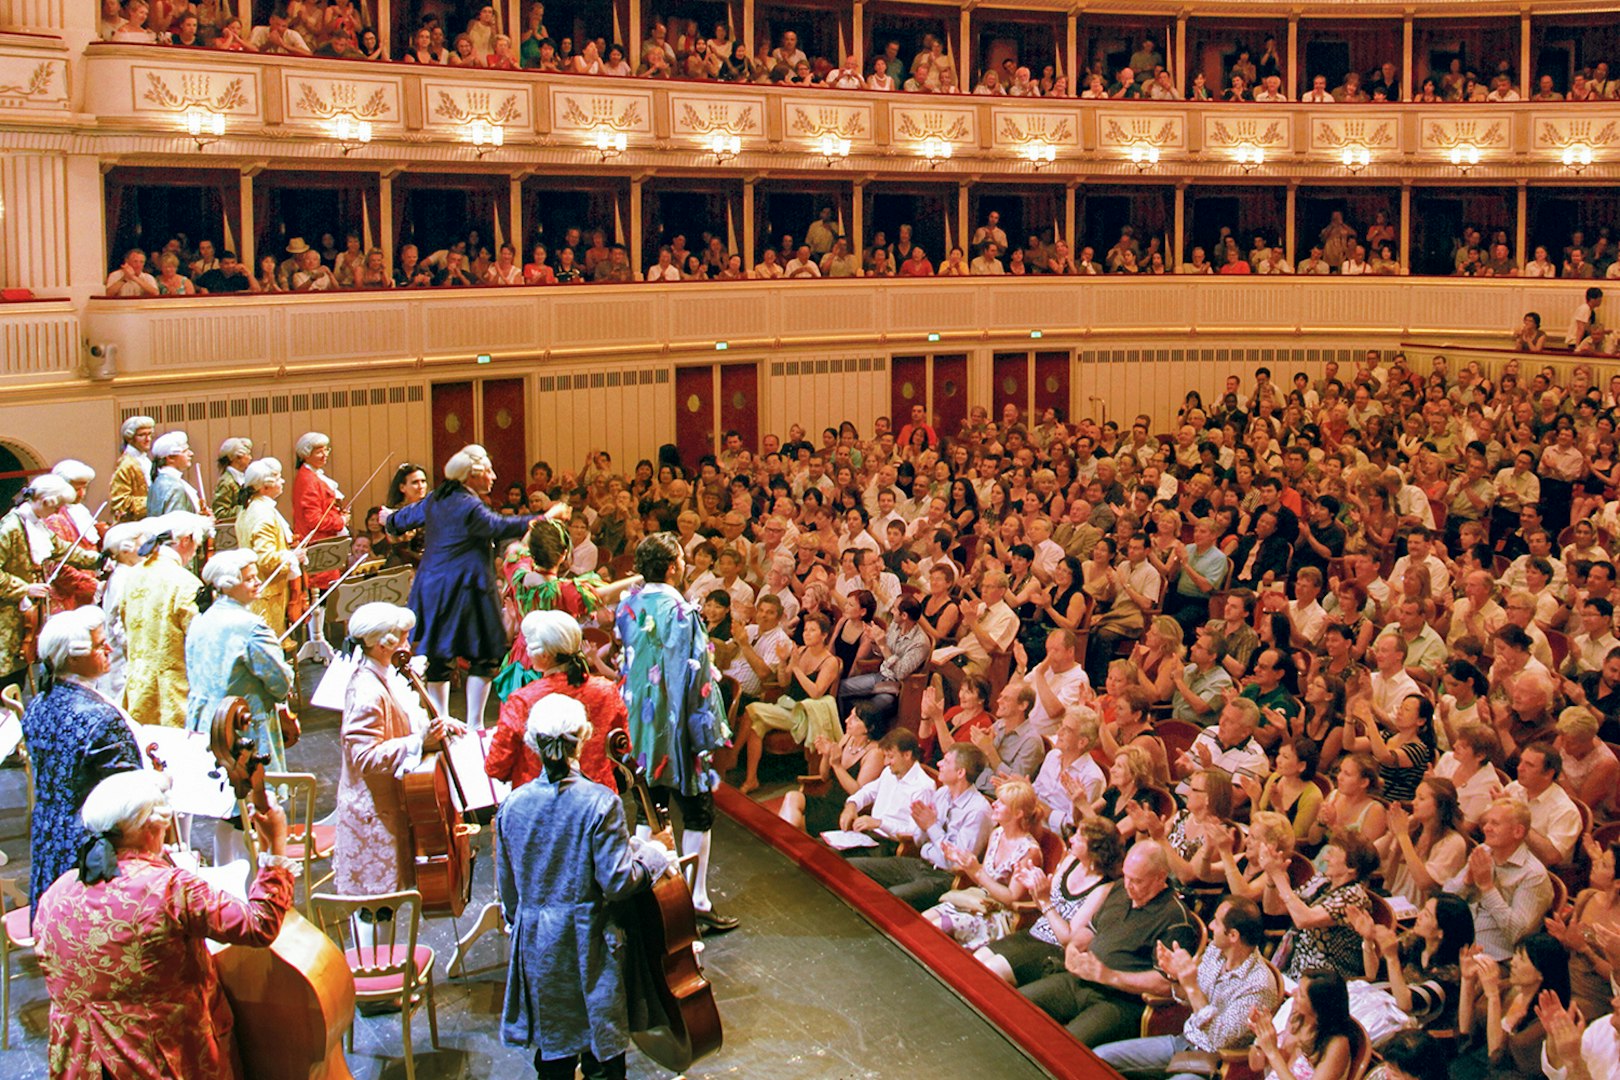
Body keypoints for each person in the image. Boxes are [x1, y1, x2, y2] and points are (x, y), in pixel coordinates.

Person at [34, 770, 296, 1080]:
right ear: (151, 829)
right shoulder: (170, 888)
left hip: (80, 1063)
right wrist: (275, 845)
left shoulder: (56, 893)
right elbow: (258, 925)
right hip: (160, 1060)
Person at [495, 692, 674, 1080]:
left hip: (538, 942)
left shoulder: (512, 806)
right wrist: (654, 856)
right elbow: (618, 880)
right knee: (601, 1053)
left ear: (532, 742)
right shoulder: (600, 803)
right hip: (590, 940)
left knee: (553, 1053)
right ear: (584, 738)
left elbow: (508, 893)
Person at [615, 532, 737, 932]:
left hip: (638, 727)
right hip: (677, 728)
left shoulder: (628, 605)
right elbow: (698, 679)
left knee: (647, 808)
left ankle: (648, 899)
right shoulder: (683, 612)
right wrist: (709, 733)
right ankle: (694, 902)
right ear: (672, 567)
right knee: (698, 811)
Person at [382, 444, 539, 728]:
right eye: (488, 471)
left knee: (440, 656)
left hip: (434, 586)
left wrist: (388, 519)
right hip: (465, 586)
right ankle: (475, 725)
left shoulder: (438, 497)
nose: (493, 476)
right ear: (472, 475)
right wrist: (542, 519)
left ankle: (442, 721)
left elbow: (400, 520)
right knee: (485, 655)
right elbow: (498, 526)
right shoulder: (467, 503)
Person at [333, 602, 465, 897]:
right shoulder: (367, 691)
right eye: (403, 639)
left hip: (392, 804)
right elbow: (364, 757)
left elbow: (403, 720)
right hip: (373, 812)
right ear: (383, 646)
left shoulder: (385, 673)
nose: (408, 645)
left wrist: (438, 724)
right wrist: (418, 741)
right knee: (377, 904)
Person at [20, 606, 142, 910]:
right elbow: (130, 795)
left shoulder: (38, 704)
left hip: (48, 832)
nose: (109, 649)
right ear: (73, 658)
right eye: (99, 646)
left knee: (54, 916)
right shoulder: (101, 718)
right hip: (89, 848)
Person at [1019, 842, 1199, 1045]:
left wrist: (1110, 976)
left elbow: (1165, 984)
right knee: (1018, 1005)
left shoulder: (1175, 919)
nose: (1128, 884)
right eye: (1126, 876)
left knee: (1064, 1046)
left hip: (1120, 1002)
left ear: (1160, 877)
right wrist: (1073, 948)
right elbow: (1090, 929)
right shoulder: (1121, 888)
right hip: (1082, 980)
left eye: (1137, 881)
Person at [1092, 897, 1283, 1075]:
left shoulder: (1259, 985)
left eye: (1216, 922)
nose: (1210, 926)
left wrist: (1192, 986)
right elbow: (1189, 998)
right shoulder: (1215, 950)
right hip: (1184, 1041)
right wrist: (1177, 977)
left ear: (1233, 935)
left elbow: (1218, 1037)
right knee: (1099, 1058)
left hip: (1214, 1063)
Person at [488, 610, 628, 792]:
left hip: (538, 799)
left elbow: (496, 765)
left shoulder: (522, 700)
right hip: (599, 795)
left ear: (544, 656)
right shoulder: (606, 690)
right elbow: (622, 745)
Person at [845, 742, 991, 911]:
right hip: (920, 863)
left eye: (946, 761)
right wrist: (922, 826)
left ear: (960, 773)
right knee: (852, 868)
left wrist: (932, 826)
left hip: (944, 877)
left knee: (890, 898)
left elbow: (956, 862)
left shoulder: (978, 811)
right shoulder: (942, 794)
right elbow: (919, 841)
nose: (939, 764)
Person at [185, 550, 294, 774]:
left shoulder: (199, 620)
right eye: (249, 579)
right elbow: (280, 679)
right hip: (243, 724)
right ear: (228, 585)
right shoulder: (251, 627)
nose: (257, 582)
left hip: (205, 721)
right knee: (255, 786)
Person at [120, 511, 210, 728]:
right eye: (196, 546)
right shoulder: (185, 582)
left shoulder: (133, 574)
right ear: (186, 540)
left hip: (137, 683)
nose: (194, 553)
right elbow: (199, 640)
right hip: (173, 692)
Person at [235, 457, 302, 636]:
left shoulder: (248, 508)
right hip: (267, 592)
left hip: (257, 588)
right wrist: (293, 556)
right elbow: (265, 559)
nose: (283, 481)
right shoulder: (263, 514)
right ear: (264, 488)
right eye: (278, 478)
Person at [290, 431, 348, 589]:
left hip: (324, 547)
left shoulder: (312, 476)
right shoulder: (308, 480)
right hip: (319, 549)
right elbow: (314, 520)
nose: (325, 455)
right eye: (319, 452)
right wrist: (340, 521)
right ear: (306, 454)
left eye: (326, 450)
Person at [109, 414, 156, 522]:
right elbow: (120, 502)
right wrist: (154, 502)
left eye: (150, 434)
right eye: (142, 435)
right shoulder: (126, 465)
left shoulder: (145, 460)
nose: (148, 439)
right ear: (130, 438)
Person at [212, 437, 253, 522]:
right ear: (238, 458)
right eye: (248, 455)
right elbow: (220, 513)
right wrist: (246, 507)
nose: (250, 458)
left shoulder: (240, 479)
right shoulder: (227, 482)